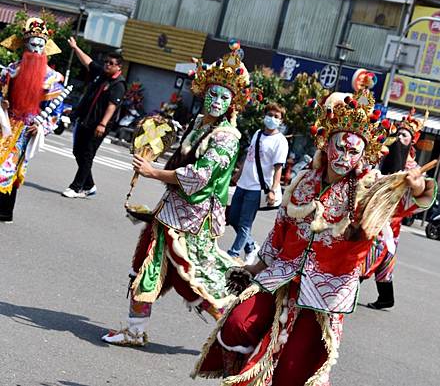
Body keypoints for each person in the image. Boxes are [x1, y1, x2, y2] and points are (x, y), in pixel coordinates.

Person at [191, 88, 436, 385]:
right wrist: (254, 268)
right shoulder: (305, 180)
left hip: (326, 290)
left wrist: (420, 187)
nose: (344, 157)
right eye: (340, 148)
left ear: (363, 155)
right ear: (325, 143)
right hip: (283, 274)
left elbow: (408, 201)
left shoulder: (368, 187)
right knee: (237, 325)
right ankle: (236, 376)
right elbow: (279, 229)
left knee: (292, 368)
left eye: (353, 151)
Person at [101, 43, 252, 347]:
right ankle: (135, 329)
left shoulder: (226, 137)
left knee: (193, 281)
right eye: (212, 92)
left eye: (224, 96)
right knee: (145, 265)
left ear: (232, 103)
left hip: (193, 219)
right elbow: (183, 162)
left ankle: (240, 332)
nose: (216, 100)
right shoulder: (199, 124)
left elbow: (199, 178)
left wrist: (153, 172)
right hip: (170, 211)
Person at [362, 108, 430, 310]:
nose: (399, 137)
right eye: (398, 133)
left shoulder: (413, 168)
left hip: (390, 220)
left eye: (405, 135)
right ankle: (385, 297)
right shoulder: (383, 155)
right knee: (381, 261)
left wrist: (416, 184)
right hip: (371, 210)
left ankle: (350, 286)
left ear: (412, 141)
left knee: (372, 255)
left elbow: (420, 193)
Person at [0, 17, 65, 223]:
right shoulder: (10, 70)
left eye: (41, 45)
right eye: (33, 44)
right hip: (4, 121)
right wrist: (2, 103)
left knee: (10, 167)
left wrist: (42, 125)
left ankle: (4, 211)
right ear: (25, 45)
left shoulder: (52, 78)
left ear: (46, 48)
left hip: (26, 127)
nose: (37, 49)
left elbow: (55, 110)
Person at [62, 37, 126, 198]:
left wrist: (103, 124)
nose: (107, 65)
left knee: (87, 154)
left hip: (98, 125)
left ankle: (77, 187)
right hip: (85, 120)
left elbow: (112, 105)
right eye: (106, 62)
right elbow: (88, 61)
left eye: (111, 63)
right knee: (78, 152)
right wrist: (75, 48)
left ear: (119, 67)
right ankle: (89, 185)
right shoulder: (101, 74)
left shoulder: (118, 84)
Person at [227, 103, 288, 263]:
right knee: (232, 217)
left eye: (276, 116)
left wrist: (274, 189)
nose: (272, 118)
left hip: (257, 188)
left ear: (281, 121)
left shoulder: (280, 141)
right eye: (270, 115)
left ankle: (233, 254)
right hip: (243, 184)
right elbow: (249, 158)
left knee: (245, 223)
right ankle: (251, 246)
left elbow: (278, 168)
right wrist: (237, 175)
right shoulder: (257, 133)